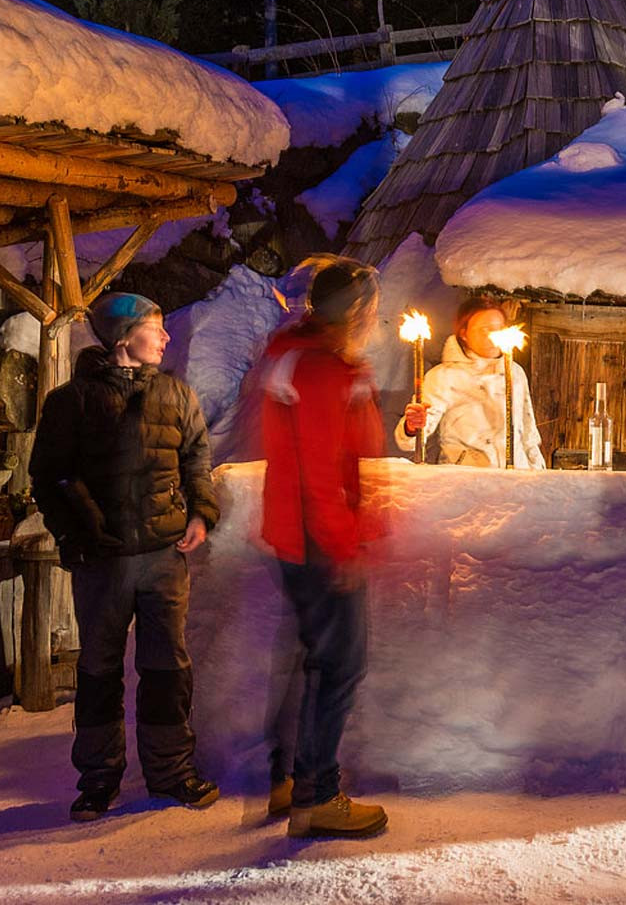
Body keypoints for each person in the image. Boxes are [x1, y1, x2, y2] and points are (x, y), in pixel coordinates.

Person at [29, 292, 221, 822]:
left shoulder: (177, 395)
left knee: (166, 668)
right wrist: (74, 537)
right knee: (97, 670)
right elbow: (46, 478)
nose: (165, 337)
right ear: (123, 337)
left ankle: (171, 772)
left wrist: (202, 513)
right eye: (154, 329)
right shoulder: (72, 402)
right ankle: (97, 780)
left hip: (163, 556)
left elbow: (197, 461)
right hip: (103, 562)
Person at [258, 257, 390, 839]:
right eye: (372, 306)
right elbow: (320, 471)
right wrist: (343, 547)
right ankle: (317, 795)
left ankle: (289, 780)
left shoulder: (313, 359)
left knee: (315, 659)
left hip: (299, 532)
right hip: (319, 537)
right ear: (358, 310)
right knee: (340, 665)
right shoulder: (318, 369)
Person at [396, 297, 545, 469]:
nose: (492, 336)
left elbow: (528, 432)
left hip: (517, 479)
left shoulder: (515, 372)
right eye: (484, 330)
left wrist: (538, 472)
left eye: (498, 328)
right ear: (464, 333)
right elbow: (412, 439)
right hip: (467, 479)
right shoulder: (444, 376)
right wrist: (412, 426)